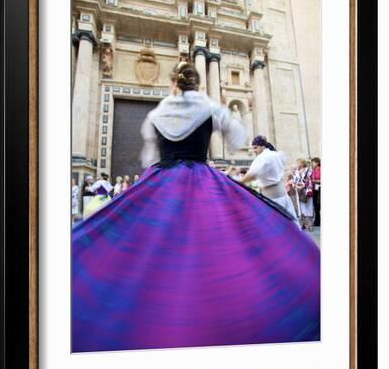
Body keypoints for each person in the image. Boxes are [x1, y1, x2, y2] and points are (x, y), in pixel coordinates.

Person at [72, 61, 320, 353]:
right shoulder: (210, 107)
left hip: (161, 182)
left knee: (157, 245)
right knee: (218, 239)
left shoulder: (156, 112)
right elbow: (239, 137)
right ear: (198, 83)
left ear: (174, 84)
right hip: (202, 179)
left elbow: (148, 157)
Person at [241, 136, 299, 221]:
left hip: (274, 199)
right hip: (282, 197)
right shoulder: (276, 154)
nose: (254, 151)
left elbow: (252, 174)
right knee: (288, 226)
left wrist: (239, 182)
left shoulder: (263, 157)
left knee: (276, 227)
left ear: (262, 146)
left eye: (255, 148)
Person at [294, 159, 315, 231]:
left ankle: (310, 225)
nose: (296, 164)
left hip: (306, 190)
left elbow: (310, 180)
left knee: (309, 206)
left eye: (297, 163)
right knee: (301, 207)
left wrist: (303, 186)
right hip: (299, 191)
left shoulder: (308, 170)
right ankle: (303, 224)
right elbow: (295, 181)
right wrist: (296, 186)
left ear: (302, 164)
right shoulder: (296, 171)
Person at [311, 157, 321, 226]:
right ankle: (317, 221)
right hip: (314, 189)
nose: (312, 164)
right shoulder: (313, 170)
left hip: (320, 189)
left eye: (313, 162)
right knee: (315, 206)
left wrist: (316, 181)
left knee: (319, 205)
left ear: (317, 163)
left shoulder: (321, 170)